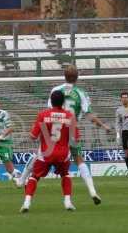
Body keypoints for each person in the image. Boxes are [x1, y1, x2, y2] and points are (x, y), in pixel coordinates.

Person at [17, 65, 110, 205]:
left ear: (64, 76)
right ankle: (92, 191)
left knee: (40, 155)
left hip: (55, 132)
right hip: (71, 131)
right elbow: (89, 115)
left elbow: (51, 111)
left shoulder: (56, 90)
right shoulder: (80, 93)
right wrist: (103, 125)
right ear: (77, 77)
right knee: (79, 160)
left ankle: (22, 179)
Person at [20, 90, 77, 213]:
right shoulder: (69, 116)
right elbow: (75, 138)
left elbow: (33, 136)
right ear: (63, 102)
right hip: (63, 153)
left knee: (34, 176)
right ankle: (67, 202)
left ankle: (27, 203)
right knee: (65, 174)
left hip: (45, 153)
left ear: (51, 101)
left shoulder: (43, 115)